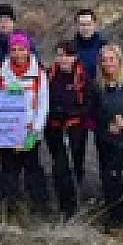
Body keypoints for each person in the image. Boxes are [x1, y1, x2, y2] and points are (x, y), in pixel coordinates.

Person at [0, 32, 50, 215]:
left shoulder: (39, 73)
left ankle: (39, 204)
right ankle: (9, 205)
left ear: (28, 50)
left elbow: (43, 103)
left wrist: (36, 128)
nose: (18, 53)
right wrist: (3, 127)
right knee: (9, 167)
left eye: (21, 49)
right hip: (7, 129)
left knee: (32, 166)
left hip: (30, 129)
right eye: (14, 49)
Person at [90, 43, 123, 232]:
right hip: (104, 139)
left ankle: (122, 217)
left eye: (111, 59)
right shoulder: (96, 85)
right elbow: (92, 112)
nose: (108, 63)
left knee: (114, 174)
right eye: (104, 60)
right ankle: (112, 214)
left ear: (119, 61)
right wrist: (104, 124)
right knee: (107, 177)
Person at [44, 41, 91, 221]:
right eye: (60, 55)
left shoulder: (82, 78)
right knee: (58, 164)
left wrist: (72, 112)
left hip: (74, 128)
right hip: (53, 127)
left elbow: (89, 104)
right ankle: (63, 203)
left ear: (75, 57)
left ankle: (70, 208)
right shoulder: (49, 75)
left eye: (67, 55)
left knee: (66, 167)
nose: (63, 59)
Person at [72, 8, 107, 82]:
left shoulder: (105, 47)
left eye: (88, 24)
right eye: (82, 24)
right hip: (77, 91)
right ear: (76, 26)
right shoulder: (70, 48)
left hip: (100, 89)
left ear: (94, 24)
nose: (85, 28)